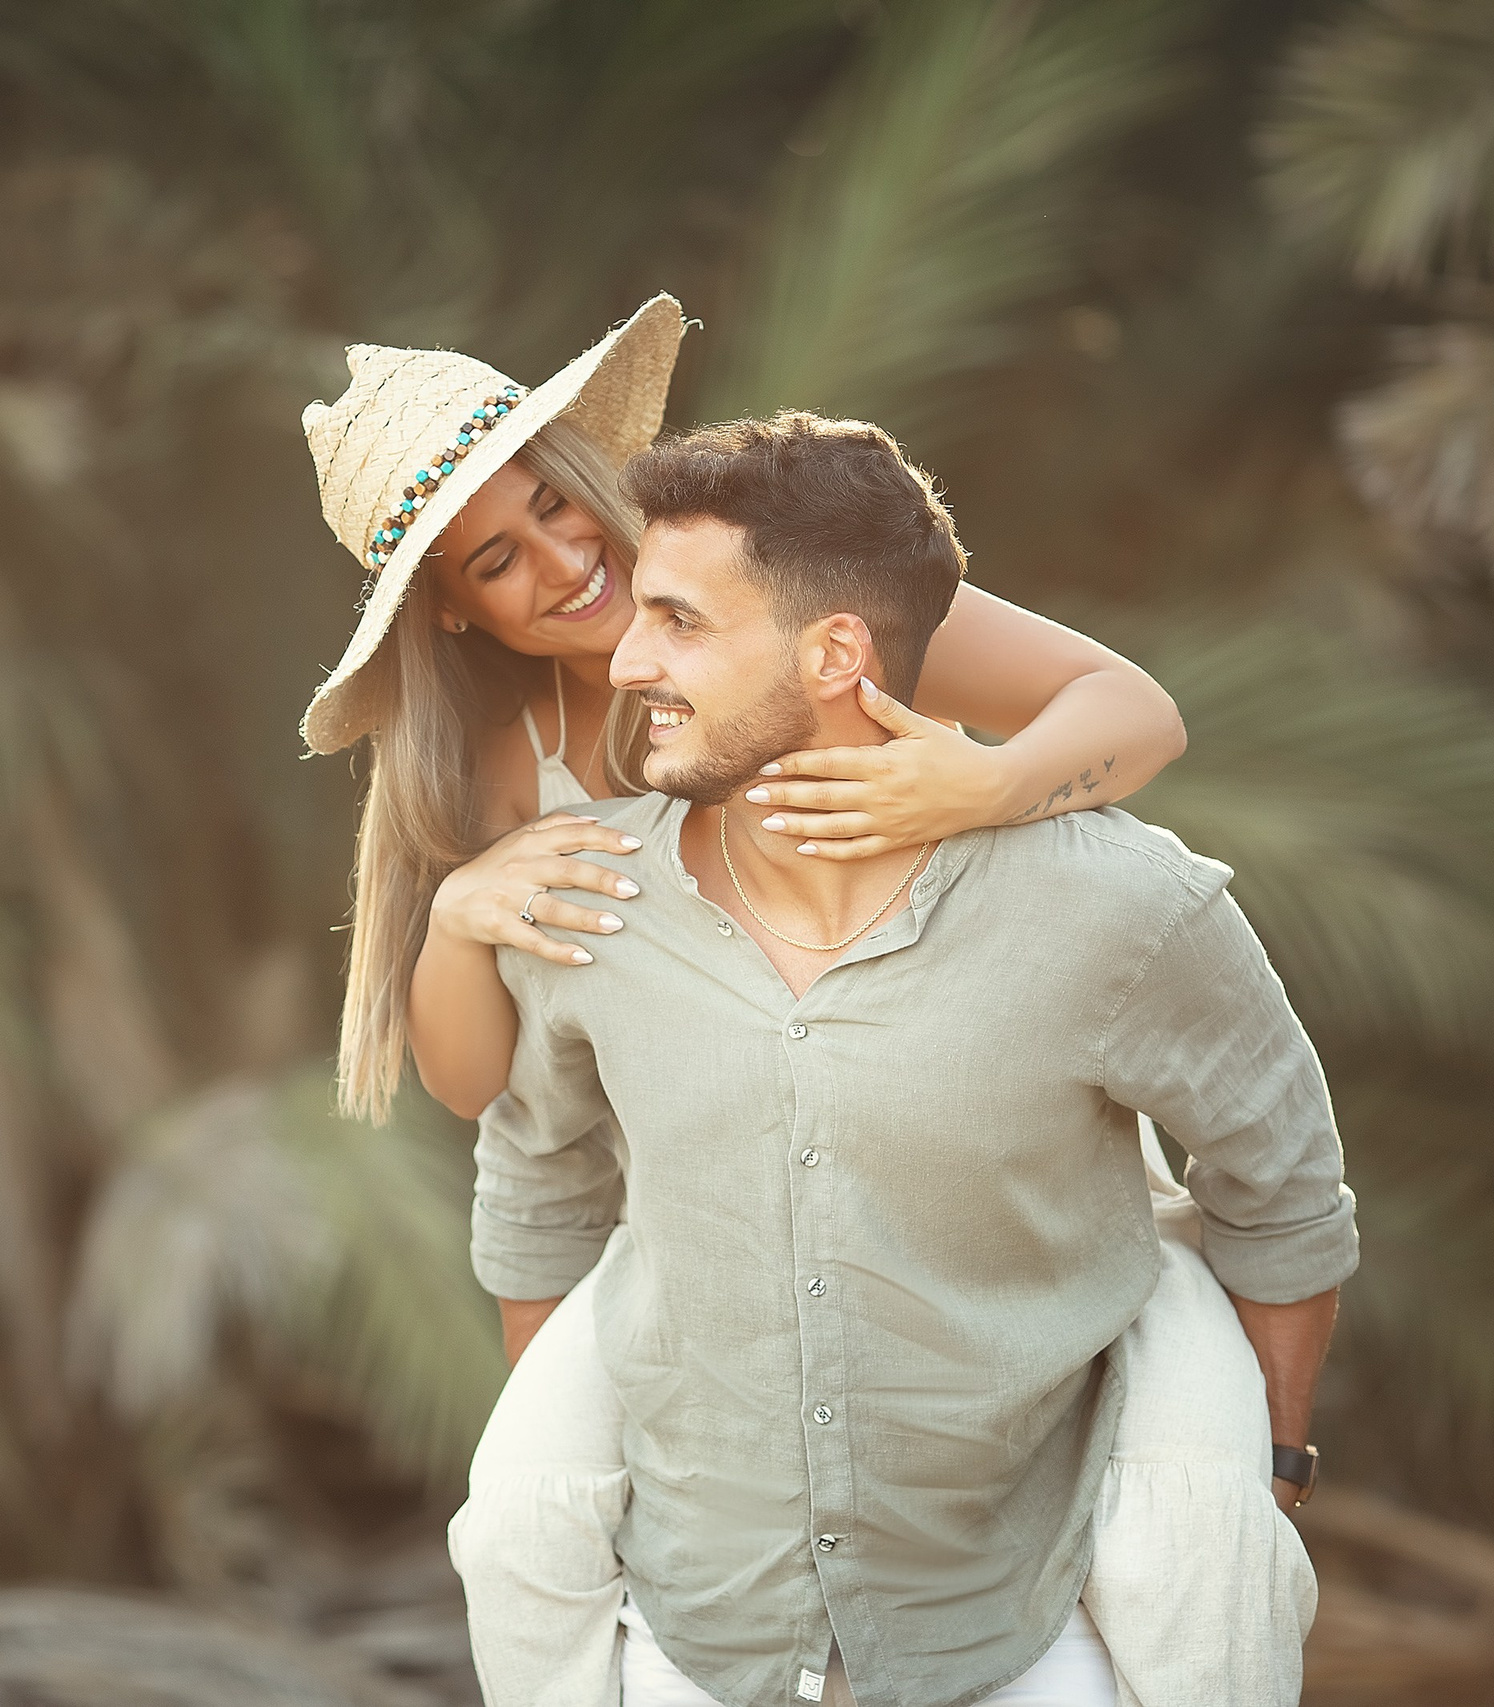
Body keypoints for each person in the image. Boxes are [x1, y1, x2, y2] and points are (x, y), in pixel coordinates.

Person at [299, 302, 1326, 1707]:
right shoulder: (489, 764)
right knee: (521, 1525)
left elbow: (1130, 710)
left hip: (984, 1156)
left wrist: (988, 782)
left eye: (556, 504)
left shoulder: (798, 616)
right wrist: (457, 927)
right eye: (497, 558)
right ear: (453, 608)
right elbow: (494, 1097)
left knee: (1202, 1549)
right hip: (687, 1218)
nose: (562, 558)